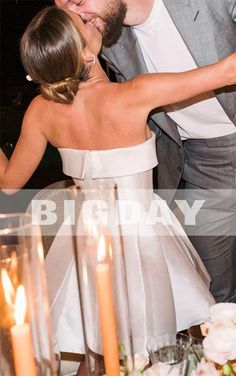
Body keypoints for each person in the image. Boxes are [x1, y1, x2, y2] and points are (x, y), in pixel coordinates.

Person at [1, 5, 236, 358]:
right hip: (144, 243)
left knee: (102, 347)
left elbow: (8, 184)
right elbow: (226, 71)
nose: (89, 18)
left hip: (84, 246)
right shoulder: (135, 95)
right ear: (86, 53)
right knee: (156, 343)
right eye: (82, 23)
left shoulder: (40, 112)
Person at [55, 0, 236, 304]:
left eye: (79, 1)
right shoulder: (105, 41)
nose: (77, 15)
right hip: (201, 163)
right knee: (215, 297)